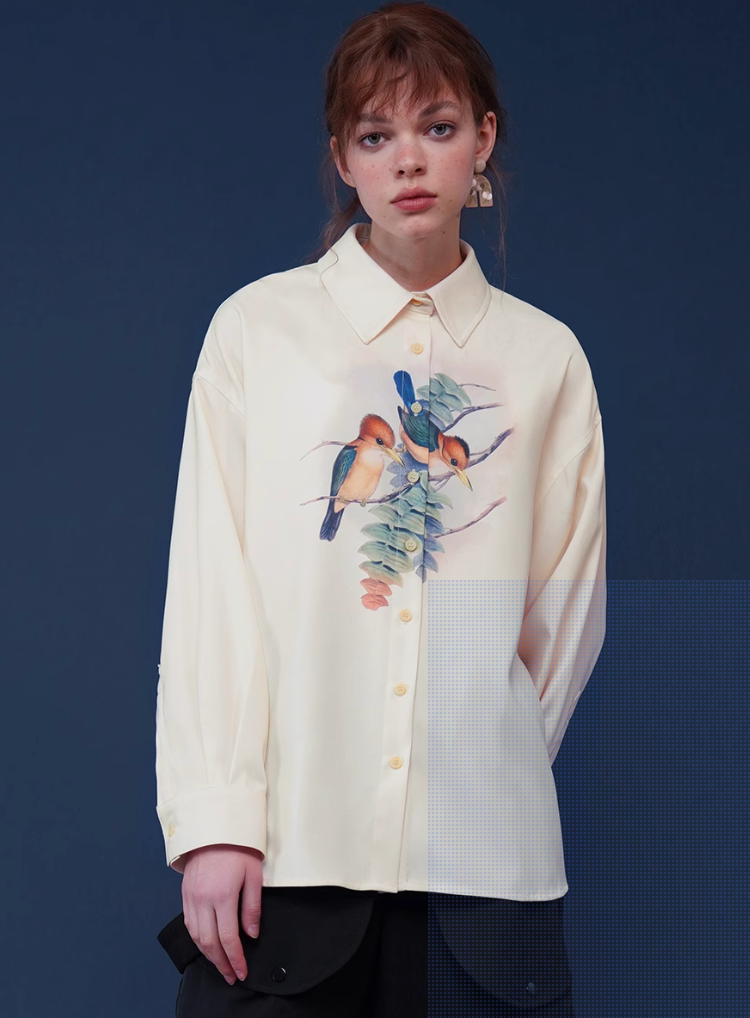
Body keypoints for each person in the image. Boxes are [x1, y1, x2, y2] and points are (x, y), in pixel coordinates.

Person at [155, 3, 606, 1016]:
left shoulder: (546, 360)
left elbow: (563, 621)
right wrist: (216, 820)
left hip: (487, 875)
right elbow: (211, 592)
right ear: (342, 159)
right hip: (289, 857)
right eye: (375, 135)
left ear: (483, 140)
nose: (408, 160)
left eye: (437, 127)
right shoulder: (257, 334)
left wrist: (480, 769)